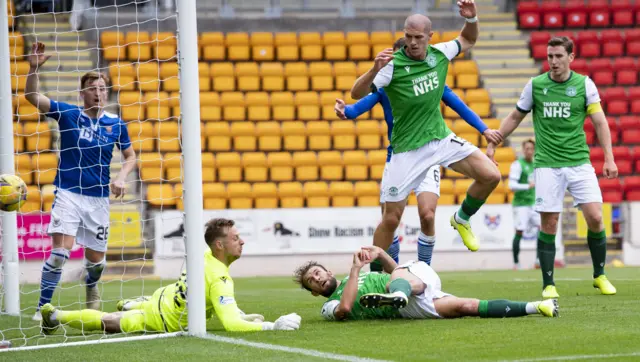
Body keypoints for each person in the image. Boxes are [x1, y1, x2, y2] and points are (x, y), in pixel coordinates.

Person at [350, 3, 504, 258]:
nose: (411, 42)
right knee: (390, 220)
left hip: (440, 140)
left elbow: (467, 39)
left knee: (491, 175)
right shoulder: (392, 66)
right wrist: (373, 69)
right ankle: (373, 274)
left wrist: (472, 18)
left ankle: (462, 218)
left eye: (418, 37)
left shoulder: (440, 54)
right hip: (406, 152)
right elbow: (356, 93)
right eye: (408, 36)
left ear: (429, 37)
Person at [487, 36, 617, 299]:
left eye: (558, 56)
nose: (554, 61)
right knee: (549, 222)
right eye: (550, 56)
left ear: (571, 57)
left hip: (579, 162)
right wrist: (494, 143)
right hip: (547, 164)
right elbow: (515, 116)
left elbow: (600, 123)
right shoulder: (535, 86)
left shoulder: (584, 85)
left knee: (595, 217)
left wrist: (609, 158)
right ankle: (548, 284)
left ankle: (600, 275)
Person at [26, 42, 137, 319]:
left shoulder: (116, 124)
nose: (99, 93)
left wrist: (122, 178)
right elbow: (31, 95)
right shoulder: (68, 114)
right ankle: (43, 308)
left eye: (102, 89)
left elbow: (130, 157)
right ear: (82, 93)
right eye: (93, 89)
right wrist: (33, 68)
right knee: (60, 253)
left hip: (98, 199)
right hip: (68, 192)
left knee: (96, 262)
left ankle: (91, 287)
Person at [40, 218, 302, 334]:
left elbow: (214, 303)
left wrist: (239, 311)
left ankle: (134, 302)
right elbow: (231, 325)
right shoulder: (221, 279)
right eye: (235, 238)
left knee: (146, 303)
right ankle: (55, 316)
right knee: (111, 322)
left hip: (164, 295)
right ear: (219, 245)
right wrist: (271, 325)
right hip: (161, 319)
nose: (242, 242)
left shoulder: (201, 256)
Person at [293, 245, 558, 321]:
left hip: (411, 276)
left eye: (317, 272)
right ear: (315, 293)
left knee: (395, 278)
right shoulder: (329, 306)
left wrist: (381, 255)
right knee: (467, 306)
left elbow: (394, 270)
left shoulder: (366, 275)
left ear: (327, 270)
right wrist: (354, 270)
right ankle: (538, 307)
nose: (316, 278)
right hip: (407, 307)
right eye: (311, 281)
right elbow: (345, 310)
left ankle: (399, 294)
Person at [509, 139, 539, 270]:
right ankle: (516, 263)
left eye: (532, 149)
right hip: (521, 204)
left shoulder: (536, 164)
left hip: (534, 203)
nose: (529, 151)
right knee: (519, 232)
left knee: (543, 229)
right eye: (527, 149)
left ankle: (538, 261)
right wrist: (528, 186)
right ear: (523, 150)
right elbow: (511, 185)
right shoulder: (518, 165)